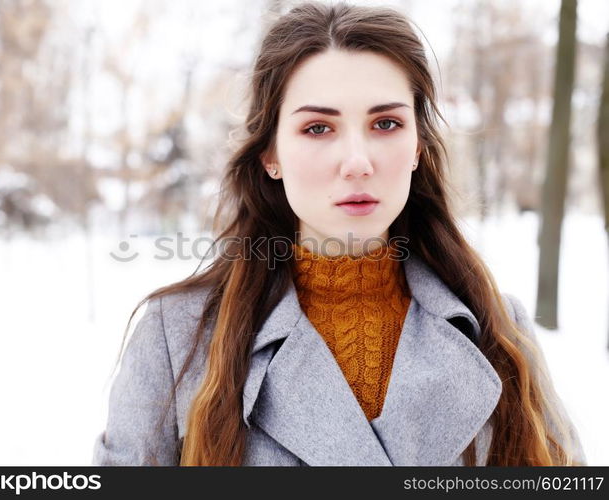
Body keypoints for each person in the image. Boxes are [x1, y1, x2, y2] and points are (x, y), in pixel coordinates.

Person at [92, 1, 585, 466]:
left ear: (417, 147)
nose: (357, 162)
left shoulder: (497, 328)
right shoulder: (177, 336)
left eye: (386, 123)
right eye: (318, 129)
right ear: (271, 155)